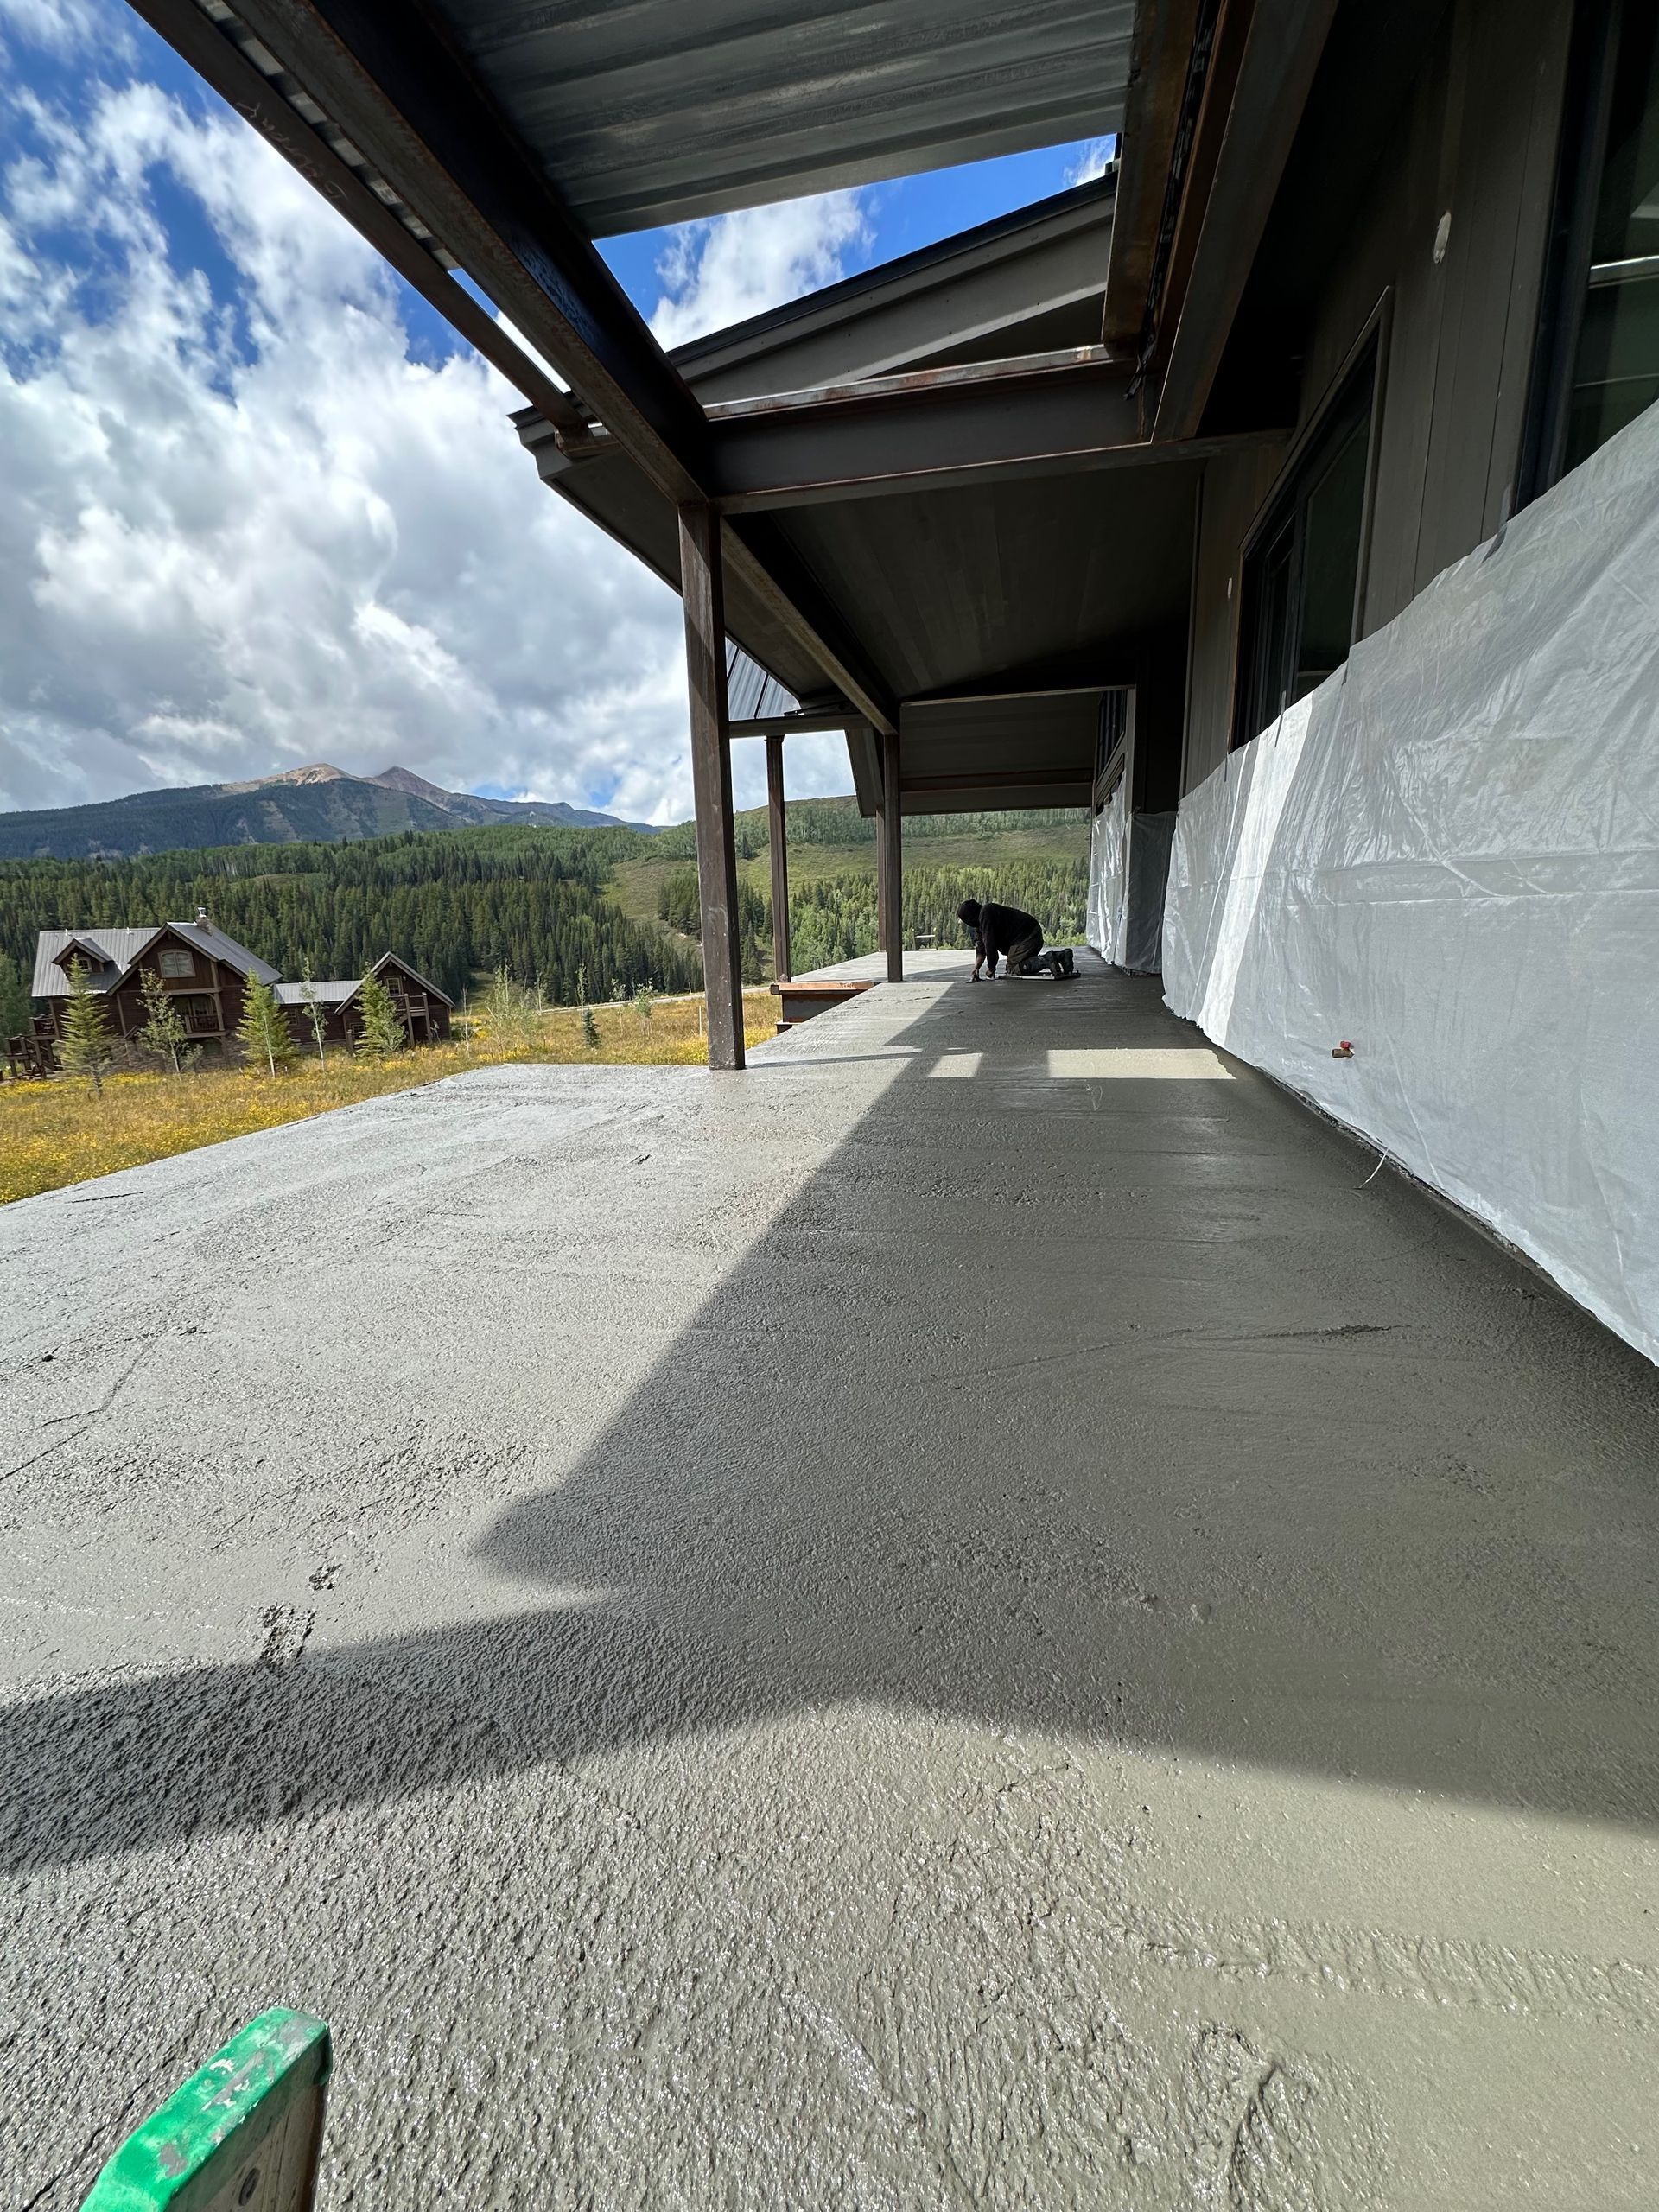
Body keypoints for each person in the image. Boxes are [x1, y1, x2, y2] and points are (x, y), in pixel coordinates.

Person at [958, 899, 1076, 980]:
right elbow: (981, 949)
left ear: (969, 919)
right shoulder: (982, 921)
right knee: (1019, 962)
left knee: (1013, 968)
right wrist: (976, 968)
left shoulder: (986, 914)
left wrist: (991, 968)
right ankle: (1062, 956)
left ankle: (1046, 960)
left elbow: (990, 945)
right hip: (1031, 934)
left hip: (1026, 937)